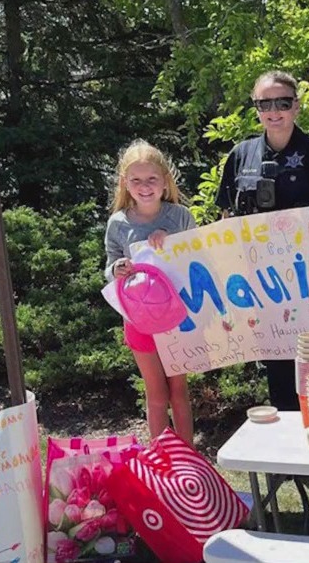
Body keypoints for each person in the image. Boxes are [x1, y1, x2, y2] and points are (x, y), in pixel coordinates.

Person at [214, 70, 309, 504]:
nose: (274, 111)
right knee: (277, 377)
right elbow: (225, 217)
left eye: (282, 102)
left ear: (296, 105)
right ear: (255, 108)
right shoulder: (239, 156)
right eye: (265, 104)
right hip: (261, 290)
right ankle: (288, 464)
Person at [105, 139, 197, 445]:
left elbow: (197, 258)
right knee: (156, 395)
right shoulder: (117, 223)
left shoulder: (179, 216)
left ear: (165, 180)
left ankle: (190, 461)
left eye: (152, 179)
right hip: (139, 321)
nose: (145, 186)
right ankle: (162, 462)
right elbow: (109, 269)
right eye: (136, 180)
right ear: (125, 184)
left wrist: (172, 241)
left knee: (179, 393)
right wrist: (117, 268)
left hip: (178, 319)